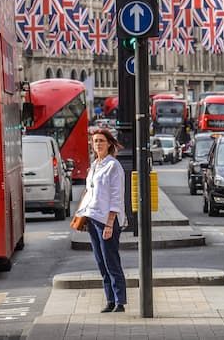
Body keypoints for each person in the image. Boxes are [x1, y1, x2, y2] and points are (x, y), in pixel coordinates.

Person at [74, 127, 127, 313]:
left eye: (101, 141)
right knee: (101, 262)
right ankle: (110, 300)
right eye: (95, 141)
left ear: (109, 144)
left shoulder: (113, 166)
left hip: (107, 220)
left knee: (111, 262)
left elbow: (116, 197)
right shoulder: (95, 165)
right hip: (93, 218)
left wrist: (110, 223)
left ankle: (120, 301)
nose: (98, 144)